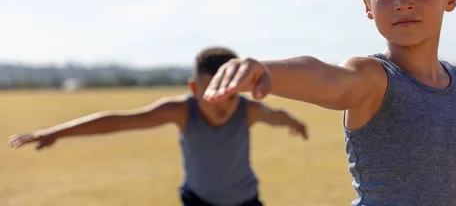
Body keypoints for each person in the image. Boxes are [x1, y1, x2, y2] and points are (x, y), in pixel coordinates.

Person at [203, 0, 456, 205]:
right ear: (368, 4)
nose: (402, 2)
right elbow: (325, 78)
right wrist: (266, 71)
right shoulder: (374, 78)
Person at [8, 46, 309, 206]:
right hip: (199, 201)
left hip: (245, 201)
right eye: (212, 91)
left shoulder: (248, 110)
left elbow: (277, 115)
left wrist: (294, 122)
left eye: (231, 92)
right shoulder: (181, 111)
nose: (223, 102)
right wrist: (56, 132)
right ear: (193, 87)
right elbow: (120, 120)